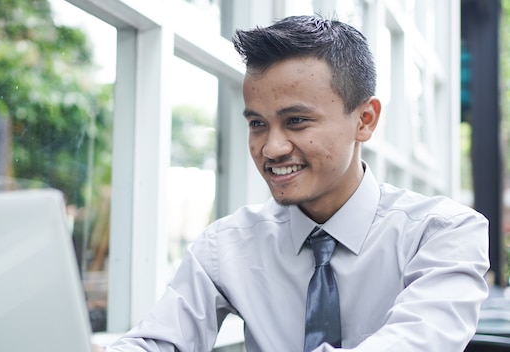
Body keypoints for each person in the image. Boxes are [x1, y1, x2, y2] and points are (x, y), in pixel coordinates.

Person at [102, 14, 490, 351]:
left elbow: (418, 343)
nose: (271, 148)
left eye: (296, 121)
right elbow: (159, 340)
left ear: (365, 120)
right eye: (257, 124)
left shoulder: (443, 233)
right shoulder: (227, 246)